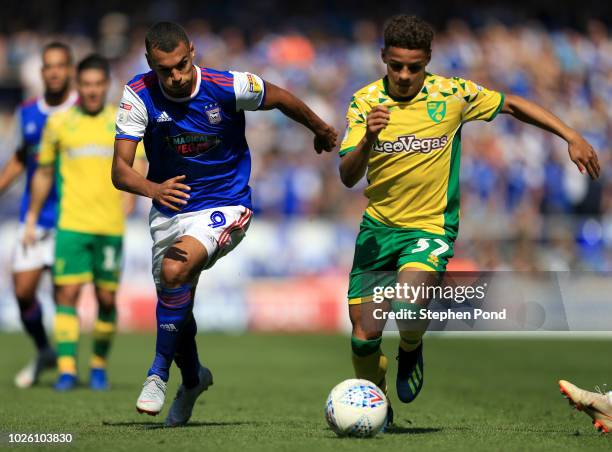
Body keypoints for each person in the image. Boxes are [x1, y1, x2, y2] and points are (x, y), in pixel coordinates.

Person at [338, 15, 599, 424]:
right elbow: (348, 176)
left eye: (415, 67)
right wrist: (369, 138)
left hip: (430, 227)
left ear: (428, 61)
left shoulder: (453, 93)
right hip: (377, 230)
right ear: (383, 59)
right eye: (397, 66)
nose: (405, 75)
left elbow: (511, 104)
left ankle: (410, 347)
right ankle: (377, 404)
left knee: (408, 308)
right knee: (363, 336)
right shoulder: (364, 102)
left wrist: (571, 135)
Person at [111, 21, 337, 426]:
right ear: (150, 63)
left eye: (181, 64)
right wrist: (152, 189)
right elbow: (120, 171)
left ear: (192, 51)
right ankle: (194, 377)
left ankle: (157, 373)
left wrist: (319, 128)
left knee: (175, 269)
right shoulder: (138, 94)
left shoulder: (227, 85)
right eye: (165, 70)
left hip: (226, 205)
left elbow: (281, 97)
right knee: (175, 301)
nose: (176, 76)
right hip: (169, 210)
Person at [25, 54, 141, 391]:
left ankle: (99, 365)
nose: (91, 91)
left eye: (97, 85)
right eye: (86, 85)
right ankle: (66, 370)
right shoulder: (60, 124)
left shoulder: (122, 123)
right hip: (72, 225)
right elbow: (44, 173)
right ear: (79, 86)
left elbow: (141, 161)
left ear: (107, 86)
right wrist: (32, 216)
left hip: (109, 226)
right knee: (67, 294)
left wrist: (133, 192)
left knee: (106, 299)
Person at [0, 42, 77, 388]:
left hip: (73, 217)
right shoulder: (28, 112)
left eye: (61, 65)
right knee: (23, 293)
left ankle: (67, 368)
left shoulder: (84, 111)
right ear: (43, 72)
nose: (55, 71)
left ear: (70, 69)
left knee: (65, 295)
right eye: (49, 66)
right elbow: (20, 156)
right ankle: (45, 350)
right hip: (35, 217)